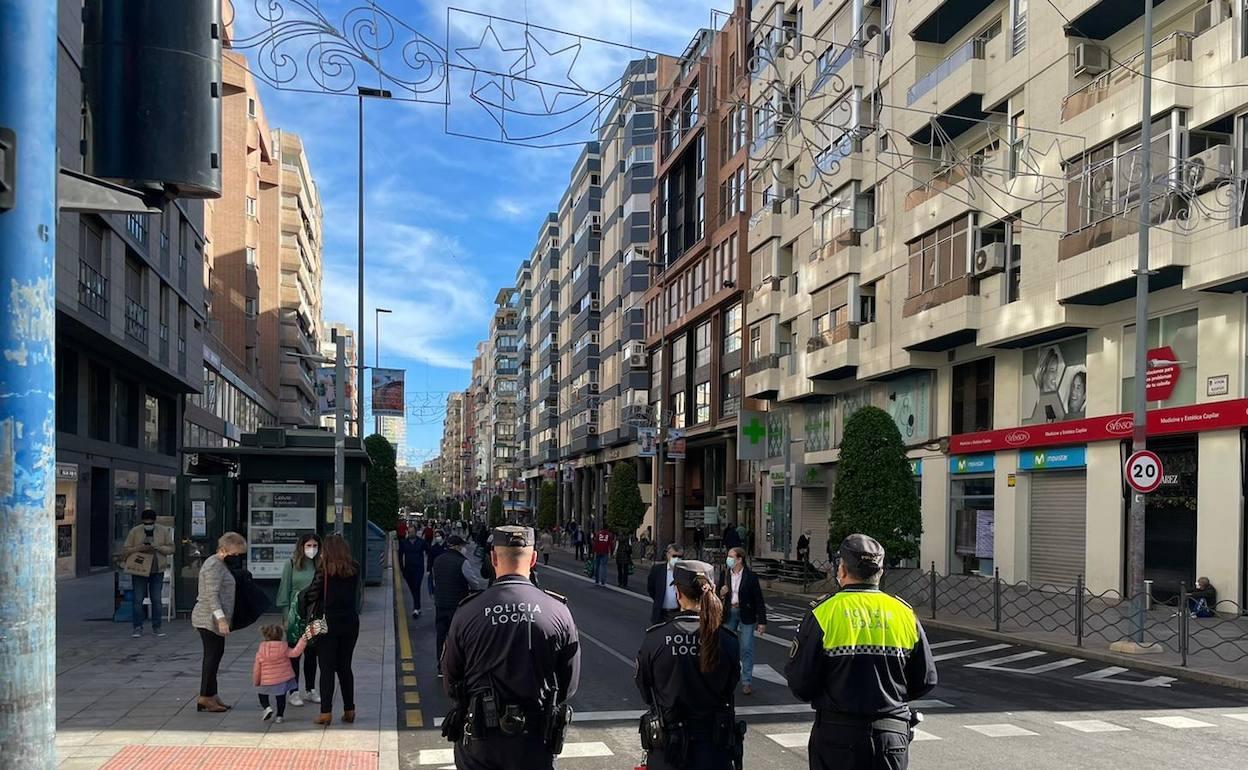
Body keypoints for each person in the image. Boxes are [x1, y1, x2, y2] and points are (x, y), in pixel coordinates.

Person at [785, 534, 938, 770]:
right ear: (880, 572)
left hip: (838, 735)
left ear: (842, 570)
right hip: (892, 735)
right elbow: (926, 679)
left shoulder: (824, 612)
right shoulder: (904, 613)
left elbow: (800, 683)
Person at [440, 526, 580, 770]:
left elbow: (451, 682)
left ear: (493, 558)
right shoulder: (558, 611)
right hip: (535, 741)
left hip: (481, 743)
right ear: (534, 558)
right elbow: (568, 685)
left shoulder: (467, 612)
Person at [635, 560, 743, 770]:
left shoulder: (656, 638)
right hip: (714, 750)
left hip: (669, 751)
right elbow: (730, 686)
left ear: (678, 593)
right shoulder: (727, 640)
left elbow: (646, 691)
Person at [302, 534, 363, 725]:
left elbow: (312, 594)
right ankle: (349, 709)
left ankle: (325, 713)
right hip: (350, 622)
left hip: (327, 623)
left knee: (327, 668)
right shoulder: (354, 568)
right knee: (345, 667)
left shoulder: (324, 570)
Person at [191, 532, 247, 713]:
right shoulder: (214, 566)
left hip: (213, 618)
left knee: (216, 654)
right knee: (212, 657)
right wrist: (221, 620)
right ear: (223, 550)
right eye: (235, 554)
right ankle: (205, 696)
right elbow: (211, 595)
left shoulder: (220, 564)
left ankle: (212, 694)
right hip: (208, 619)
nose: (237, 558)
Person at [275, 533, 322, 707]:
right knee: (294, 653)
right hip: (296, 613)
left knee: (312, 653)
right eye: (308, 545)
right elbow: (284, 591)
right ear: (301, 547)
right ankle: (293, 691)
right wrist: (286, 617)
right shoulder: (291, 564)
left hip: (314, 612)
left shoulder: (320, 565)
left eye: (315, 546)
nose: (312, 549)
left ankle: (310, 689)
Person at [431, 535, 489, 670]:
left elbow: (435, 580)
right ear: (457, 547)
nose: (464, 548)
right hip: (457, 604)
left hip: (440, 603)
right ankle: (455, 665)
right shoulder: (462, 562)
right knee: (457, 636)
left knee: (441, 635)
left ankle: (440, 664)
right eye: (462, 546)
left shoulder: (438, 560)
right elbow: (473, 582)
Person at [717, 547, 766, 695]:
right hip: (729, 612)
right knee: (725, 646)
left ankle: (747, 681)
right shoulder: (725, 574)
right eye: (728, 557)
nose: (728, 559)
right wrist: (721, 592)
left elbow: (758, 599)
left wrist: (762, 621)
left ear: (739, 559)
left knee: (746, 647)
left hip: (746, 613)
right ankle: (725, 678)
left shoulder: (750, 577)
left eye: (731, 557)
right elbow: (716, 594)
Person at [122, 508, 174, 638]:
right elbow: (126, 549)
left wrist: (158, 547)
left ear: (155, 521)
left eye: (150, 523)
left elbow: (171, 548)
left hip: (157, 569)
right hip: (139, 569)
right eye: (146, 523)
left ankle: (157, 626)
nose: (148, 525)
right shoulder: (135, 531)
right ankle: (137, 627)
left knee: (156, 599)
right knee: (138, 599)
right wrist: (139, 548)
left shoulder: (163, 531)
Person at [253, 622, 312, 724]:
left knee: (262, 694)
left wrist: (257, 680)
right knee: (280, 698)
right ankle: (279, 716)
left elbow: (257, 668)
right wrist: (303, 640)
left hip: (266, 680)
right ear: (281, 635)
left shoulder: (261, 650)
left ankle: (267, 708)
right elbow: (295, 652)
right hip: (281, 680)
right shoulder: (284, 648)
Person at [647, 544, 685, 624]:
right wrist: (659, 599)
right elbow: (651, 588)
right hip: (661, 614)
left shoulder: (685, 572)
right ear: (668, 555)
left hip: (678, 614)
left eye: (680, 556)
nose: (677, 559)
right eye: (674, 556)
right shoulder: (657, 570)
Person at [398, 526, 430, 619]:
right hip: (408, 569)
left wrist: (429, 567)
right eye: (409, 532)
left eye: (412, 532)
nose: (410, 533)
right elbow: (400, 556)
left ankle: (416, 608)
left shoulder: (422, 542)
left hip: (418, 569)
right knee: (412, 588)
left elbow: (429, 553)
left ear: (416, 532)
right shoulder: (404, 542)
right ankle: (418, 606)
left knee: (416, 586)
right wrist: (402, 569)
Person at [428, 532, 448, 596]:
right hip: (435, 569)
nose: (437, 538)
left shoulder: (447, 547)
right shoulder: (433, 548)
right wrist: (428, 569)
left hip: (446, 569)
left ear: (442, 537)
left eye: (438, 536)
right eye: (436, 536)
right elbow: (430, 559)